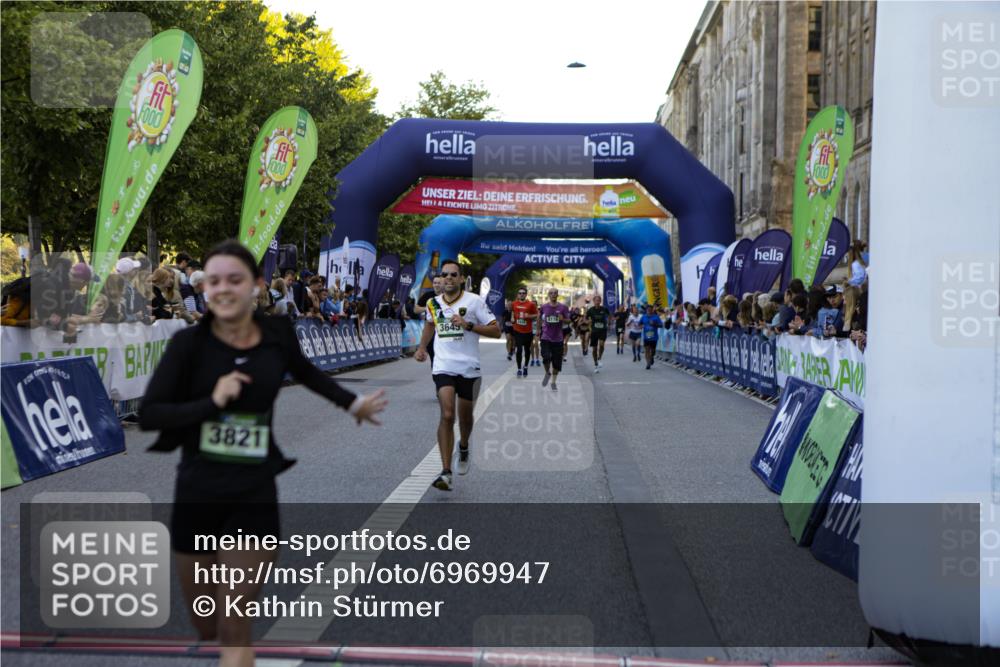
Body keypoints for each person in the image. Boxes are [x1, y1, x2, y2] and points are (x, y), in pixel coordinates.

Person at [139, 240, 387, 667]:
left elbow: (307, 372)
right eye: (213, 281)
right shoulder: (189, 346)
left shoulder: (276, 334)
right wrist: (211, 403)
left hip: (253, 493)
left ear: (255, 285)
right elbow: (150, 415)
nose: (222, 289)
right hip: (197, 493)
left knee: (236, 624)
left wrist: (353, 403)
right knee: (208, 625)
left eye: (234, 279)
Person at [414, 259, 500, 491]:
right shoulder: (433, 303)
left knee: (465, 418)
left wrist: (468, 325)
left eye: (453, 275)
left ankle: (463, 446)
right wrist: (422, 348)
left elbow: (496, 329)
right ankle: (445, 471)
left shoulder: (474, 302)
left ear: (461, 279)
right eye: (445, 275)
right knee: (447, 414)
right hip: (443, 366)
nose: (449, 278)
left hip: (469, 368)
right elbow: (431, 325)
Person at [539, 288, 571, 390]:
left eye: (555, 293)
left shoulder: (563, 307)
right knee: (546, 357)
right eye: (551, 293)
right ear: (548, 295)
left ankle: (553, 382)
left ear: (557, 295)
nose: (553, 295)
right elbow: (539, 317)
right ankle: (547, 373)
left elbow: (569, 321)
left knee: (556, 363)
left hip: (558, 338)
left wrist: (563, 319)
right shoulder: (544, 307)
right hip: (546, 337)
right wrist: (539, 330)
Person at [510, 286, 538, 377]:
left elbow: (536, 315)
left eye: (523, 293)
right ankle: (519, 369)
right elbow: (512, 312)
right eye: (520, 293)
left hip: (527, 331)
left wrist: (528, 316)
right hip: (517, 330)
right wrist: (512, 318)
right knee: (519, 350)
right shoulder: (514, 303)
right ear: (518, 295)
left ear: (526, 294)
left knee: (527, 350)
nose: (521, 294)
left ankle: (525, 366)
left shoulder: (531, 304)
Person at [586, 294, 611, 373]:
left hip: (603, 330)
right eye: (596, 300)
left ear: (600, 301)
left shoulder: (604, 309)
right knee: (594, 349)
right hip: (594, 331)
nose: (597, 302)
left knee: (602, 344)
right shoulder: (590, 310)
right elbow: (585, 318)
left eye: (599, 300)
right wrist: (588, 322)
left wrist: (609, 323)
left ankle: (599, 358)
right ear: (593, 301)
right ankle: (596, 364)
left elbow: (609, 316)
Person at [639, 303, 663, 369]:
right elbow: (639, 324)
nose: (649, 311)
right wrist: (641, 326)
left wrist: (654, 324)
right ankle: (648, 364)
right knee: (647, 350)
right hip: (646, 337)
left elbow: (661, 325)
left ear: (652, 310)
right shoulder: (643, 317)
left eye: (650, 309)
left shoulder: (656, 317)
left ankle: (652, 357)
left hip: (654, 337)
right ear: (646, 310)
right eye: (648, 309)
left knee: (653, 351)